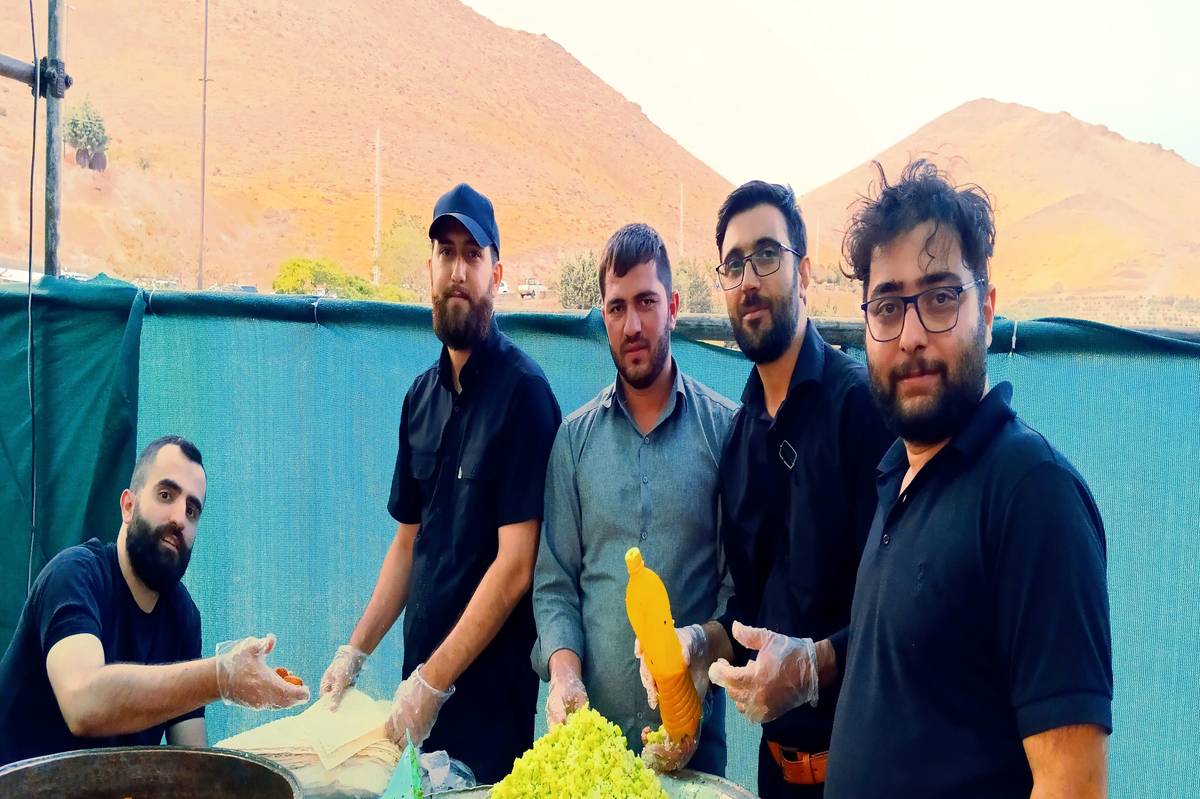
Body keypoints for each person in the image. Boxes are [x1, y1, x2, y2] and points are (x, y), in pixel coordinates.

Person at [824, 160, 1112, 798]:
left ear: (987, 306)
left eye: (940, 298)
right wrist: (811, 665)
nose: (911, 336)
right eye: (888, 307)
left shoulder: (1031, 494)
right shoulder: (897, 475)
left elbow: (1072, 786)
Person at [642, 181, 892, 797]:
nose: (749, 279)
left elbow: (901, 611)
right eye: (733, 265)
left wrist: (815, 666)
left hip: (869, 772)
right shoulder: (740, 439)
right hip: (774, 773)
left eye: (766, 256)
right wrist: (700, 645)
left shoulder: (863, 410)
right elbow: (751, 617)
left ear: (803, 273)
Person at [319, 183, 561, 783]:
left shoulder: (526, 397)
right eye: (445, 253)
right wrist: (355, 652)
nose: (458, 270)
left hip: (490, 721)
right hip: (416, 713)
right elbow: (407, 544)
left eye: (472, 255)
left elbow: (516, 566)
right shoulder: (418, 400)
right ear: (429, 268)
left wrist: (434, 680)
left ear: (495, 274)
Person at [531, 223, 736, 775]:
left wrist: (698, 663)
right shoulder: (573, 442)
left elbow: (737, 589)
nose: (633, 325)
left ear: (673, 307)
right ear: (603, 316)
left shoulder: (725, 433)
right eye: (617, 308)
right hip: (591, 758)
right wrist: (565, 677)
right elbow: (554, 584)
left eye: (647, 302)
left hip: (694, 756)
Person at [0, 435, 308, 765]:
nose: (179, 519)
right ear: (128, 506)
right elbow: (83, 704)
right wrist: (222, 677)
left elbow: (192, 763)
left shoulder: (183, 616)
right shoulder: (75, 574)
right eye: (166, 495)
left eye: (192, 510)